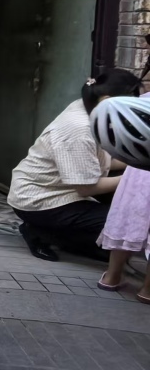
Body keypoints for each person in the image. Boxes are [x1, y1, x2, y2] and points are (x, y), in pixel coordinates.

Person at [7, 68, 140, 262]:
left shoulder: (89, 106)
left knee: (125, 221)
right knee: (122, 224)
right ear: (107, 100)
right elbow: (86, 188)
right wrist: (133, 177)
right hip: (39, 199)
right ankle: (40, 231)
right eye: (130, 103)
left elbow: (103, 161)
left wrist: (139, 164)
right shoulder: (80, 129)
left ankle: (69, 235)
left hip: (65, 186)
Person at [91, 94, 150, 302]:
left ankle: (112, 277)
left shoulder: (143, 100)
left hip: (140, 169)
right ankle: (148, 290)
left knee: (128, 219)